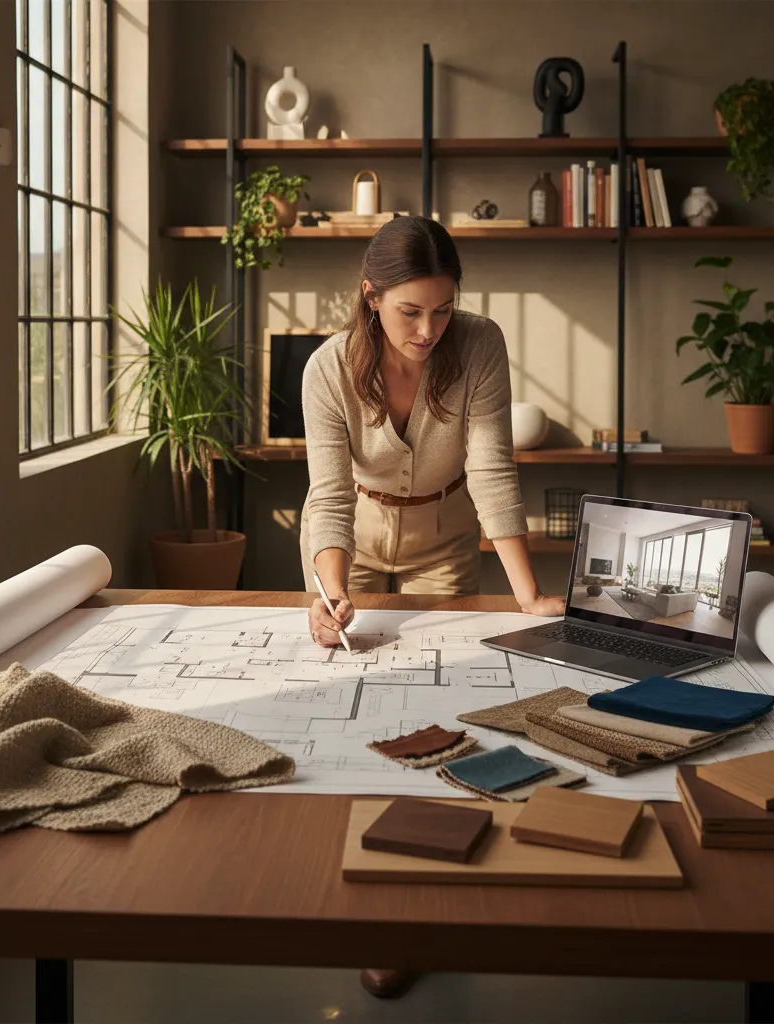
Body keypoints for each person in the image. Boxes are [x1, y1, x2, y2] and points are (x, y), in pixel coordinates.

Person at [299, 215, 566, 1000]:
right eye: (410, 311)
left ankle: (430, 903)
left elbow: (491, 470)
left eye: (442, 309)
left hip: (447, 546)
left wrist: (526, 595)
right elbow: (328, 496)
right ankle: (365, 910)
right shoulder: (326, 369)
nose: (427, 329)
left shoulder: (478, 344)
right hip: (353, 545)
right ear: (370, 296)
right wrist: (330, 593)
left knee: (442, 726)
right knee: (351, 720)